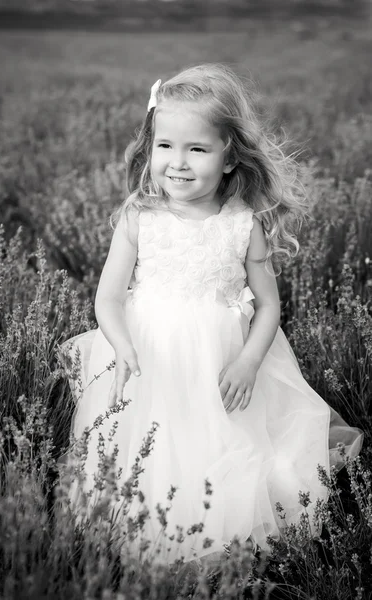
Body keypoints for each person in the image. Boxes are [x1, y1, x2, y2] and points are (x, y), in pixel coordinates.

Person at [59, 64, 363, 567]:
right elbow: (108, 298)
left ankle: (221, 525)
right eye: (164, 146)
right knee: (150, 446)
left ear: (228, 157)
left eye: (196, 149)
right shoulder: (140, 217)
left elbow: (268, 305)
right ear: (150, 146)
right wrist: (121, 345)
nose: (177, 163)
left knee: (224, 442)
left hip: (222, 362)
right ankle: (144, 524)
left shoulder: (242, 225)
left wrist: (247, 362)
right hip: (149, 358)